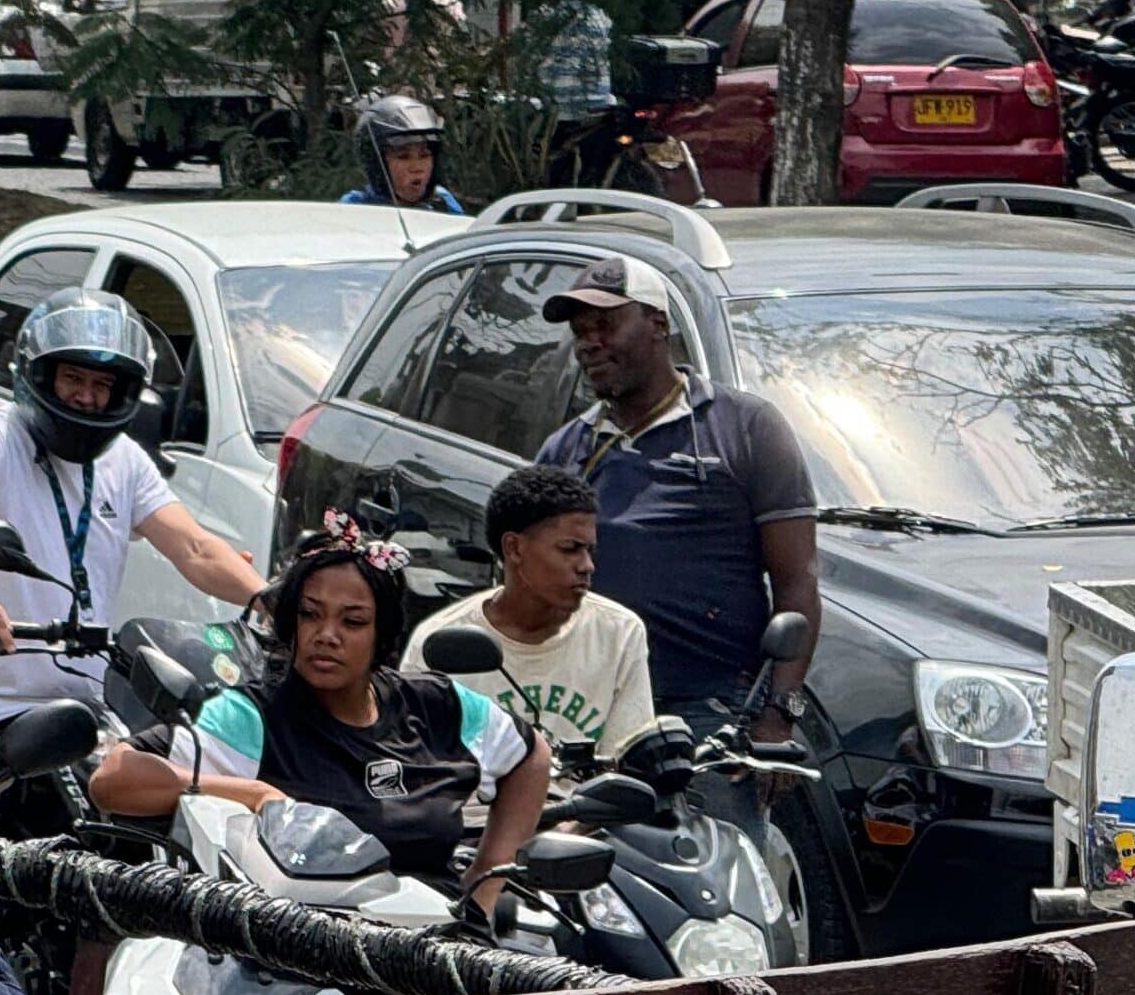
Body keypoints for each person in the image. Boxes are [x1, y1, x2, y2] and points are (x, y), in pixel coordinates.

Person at [93, 515, 550, 912]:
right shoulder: (252, 717)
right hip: (295, 971)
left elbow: (531, 754)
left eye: (352, 622)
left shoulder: (437, 706)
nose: (327, 635)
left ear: (384, 634)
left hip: (438, 953)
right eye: (311, 615)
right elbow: (114, 781)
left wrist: (487, 884)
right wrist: (252, 792)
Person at [0, 292, 264, 731]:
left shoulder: (125, 460)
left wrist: (269, 599)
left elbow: (194, 547)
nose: (86, 397)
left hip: (86, 703)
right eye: (72, 378)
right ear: (39, 375)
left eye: (102, 385)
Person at [532, 255, 820, 734]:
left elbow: (798, 586)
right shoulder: (565, 450)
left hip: (714, 710)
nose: (590, 344)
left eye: (605, 324)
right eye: (581, 332)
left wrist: (779, 711)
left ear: (657, 323)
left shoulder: (743, 428)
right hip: (587, 707)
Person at [407, 464, 659, 763]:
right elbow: (414, 763)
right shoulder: (439, 643)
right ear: (514, 548)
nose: (586, 565)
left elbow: (627, 761)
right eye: (570, 549)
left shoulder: (620, 632)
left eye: (590, 551)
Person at [340, 93, 465, 213]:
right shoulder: (355, 207)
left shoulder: (443, 202)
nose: (417, 168)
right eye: (404, 157)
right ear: (376, 163)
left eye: (424, 155)